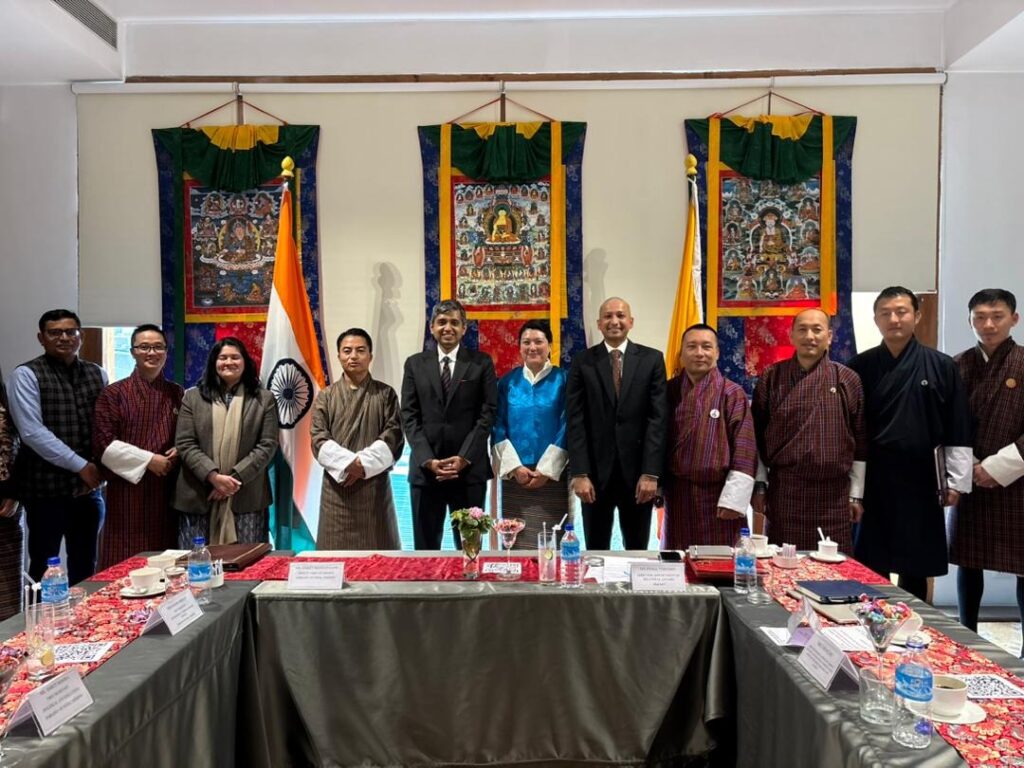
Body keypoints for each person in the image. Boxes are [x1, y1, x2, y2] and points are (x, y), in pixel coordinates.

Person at [849, 286, 972, 602]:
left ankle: (916, 621)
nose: (894, 319)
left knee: (915, 563)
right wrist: (853, 488)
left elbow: (957, 424)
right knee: (871, 560)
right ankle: (871, 619)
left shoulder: (941, 365)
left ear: (916, 316)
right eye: (885, 313)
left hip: (922, 479)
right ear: (876, 319)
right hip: (874, 478)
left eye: (901, 311)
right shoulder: (859, 367)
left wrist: (955, 481)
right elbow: (850, 429)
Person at [751, 308, 866, 553]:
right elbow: (756, 438)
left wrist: (855, 495)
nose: (810, 336)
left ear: (829, 336)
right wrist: (760, 486)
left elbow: (860, 441)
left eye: (817, 330)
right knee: (784, 564)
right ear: (791, 335)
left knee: (835, 566)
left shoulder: (848, 379)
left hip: (834, 495)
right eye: (802, 330)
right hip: (786, 492)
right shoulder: (771, 378)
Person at [7, 309, 107, 584]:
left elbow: (104, 427)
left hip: (88, 491)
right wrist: (81, 466)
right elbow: (32, 432)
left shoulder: (97, 373)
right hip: (45, 491)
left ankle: (85, 613)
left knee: (86, 565)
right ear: (41, 338)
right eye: (55, 333)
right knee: (44, 565)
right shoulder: (26, 374)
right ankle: (42, 614)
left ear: (80, 335)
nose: (64, 338)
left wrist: (100, 472)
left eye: (70, 331)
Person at [948, 288, 1024, 649]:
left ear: (1014, 319)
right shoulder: (957, 365)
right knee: (969, 559)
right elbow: (945, 423)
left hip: (1017, 479)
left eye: (997, 316)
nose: (988, 324)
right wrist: (970, 466)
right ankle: (967, 635)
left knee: (1023, 565)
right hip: (971, 477)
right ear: (970, 321)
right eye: (980, 317)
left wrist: (999, 466)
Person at [567, 297, 667, 549]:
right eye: (608, 316)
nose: (614, 321)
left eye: (620, 316)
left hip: (638, 478)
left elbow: (657, 419)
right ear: (599, 323)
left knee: (637, 550)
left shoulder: (652, 359)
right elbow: (575, 419)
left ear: (631, 322)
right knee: (595, 550)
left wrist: (651, 473)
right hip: (594, 478)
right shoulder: (582, 361)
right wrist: (579, 473)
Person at [401, 300, 497, 549]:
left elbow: (487, 414)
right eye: (442, 322)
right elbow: (409, 415)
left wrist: (464, 457)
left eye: (455, 322)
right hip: (426, 473)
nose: (448, 328)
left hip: (469, 472)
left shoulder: (481, 363)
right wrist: (428, 460)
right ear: (431, 327)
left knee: (470, 550)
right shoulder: (414, 364)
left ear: (464, 328)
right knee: (425, 551)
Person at [172, 337, 279, 547]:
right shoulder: (192, 397)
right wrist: (213, 477)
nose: (229, 362)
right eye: (223, 358)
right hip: (198, 494)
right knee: (197, 560)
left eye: (235, 357)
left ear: (245, 362)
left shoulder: (263, 399)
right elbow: (185, 443)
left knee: (247, 561)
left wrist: (230, 481)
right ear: (214, 362)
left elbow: (267, 445)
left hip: (247, 495)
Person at [92, 324, 183, 569]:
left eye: (158, 347)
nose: (151, 353)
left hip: (165, 487)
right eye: (144, 347)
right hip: (127, 489)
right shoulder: (113, 394)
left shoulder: (176, 392)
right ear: (132, 352)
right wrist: (149, 460)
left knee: (167, 556)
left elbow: (186, 434)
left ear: (166, 351)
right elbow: (103, 444)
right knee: (124, 555)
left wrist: (180, 449)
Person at [662, 324, 757, 550]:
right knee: (679, 558)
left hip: (719, 496)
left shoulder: (731, 393)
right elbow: (655, 441)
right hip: (678, 495)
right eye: (691, 347)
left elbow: (745, 449)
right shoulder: (668, 391)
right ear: (681, 354)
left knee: (721, 560)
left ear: (717, 352)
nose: (699, 353)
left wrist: (734, 499)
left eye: (706, 347)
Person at [311, 328, 404, 549]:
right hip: (337, 490)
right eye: (347, 351)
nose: (353, 356)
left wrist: (361, 465)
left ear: (370, 356)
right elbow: (318, 438)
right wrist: (349, 465)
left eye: (360, 350)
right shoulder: (326, 396)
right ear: (338, 356)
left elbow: (393, 435)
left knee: (379, 557)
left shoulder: (385, 394)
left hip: (373, 488)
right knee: (335, 556)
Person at [492, 320, 571, 548]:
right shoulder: (507, 382)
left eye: (538, 341)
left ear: (550, 346)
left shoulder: (564, 380)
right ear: (519, 347)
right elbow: (497, 425)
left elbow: (568, 424)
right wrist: (516, 468)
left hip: (553, 475)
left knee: (553, 542)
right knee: (515, 541)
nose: (532, 347)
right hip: (517, 475)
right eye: (526, 342)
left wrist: (546, 470)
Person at [0, 366, 23, 620]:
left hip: (6, 503)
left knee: (6, 588)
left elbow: (22, 445)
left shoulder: (6, 399)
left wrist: (15, 492)